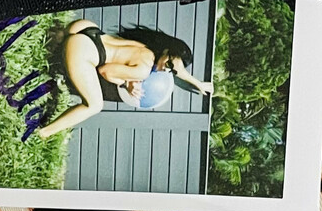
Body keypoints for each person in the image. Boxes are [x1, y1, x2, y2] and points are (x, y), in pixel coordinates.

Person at [32, 21, 210, 138]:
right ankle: (44, 133)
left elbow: (177, 67)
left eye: (171, 71)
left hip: (86, 30)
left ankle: (58, 41)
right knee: (94, 105)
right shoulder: (144, 69)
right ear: (166, 51)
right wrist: (126, 83)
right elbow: (105, 71)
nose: (166, 69)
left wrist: (198, 83)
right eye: (169, 64)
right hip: (84, 50)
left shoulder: (146, 46)